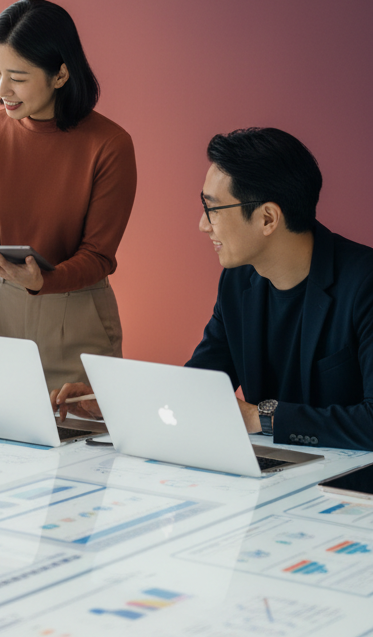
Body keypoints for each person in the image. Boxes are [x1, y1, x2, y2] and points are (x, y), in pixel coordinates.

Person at [54, 127, 373, 453]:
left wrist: (258, 419)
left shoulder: (364, 284)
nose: (203, 225)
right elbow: (198, 385)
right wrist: (113, 404)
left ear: (267, 218)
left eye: (213, 209)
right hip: (276, 472)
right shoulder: (238, 283)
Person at [0, 0, 136, 393]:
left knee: (80, 444)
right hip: (5, 311)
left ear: (61, 75)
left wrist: (42, 280)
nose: (2, 90)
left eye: (17, 76)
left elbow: (98, 256)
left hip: (79, 314)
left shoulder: (109, 144)